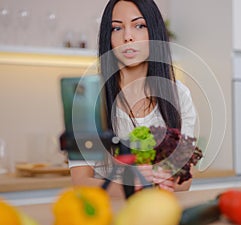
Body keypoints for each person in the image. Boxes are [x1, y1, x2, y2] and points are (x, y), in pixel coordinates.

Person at [69, 0, 196, 197]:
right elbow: (80, 181)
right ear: (108, 38)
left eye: (139, 26)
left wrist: (146, 180)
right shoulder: (87, 101)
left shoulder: (179, 95)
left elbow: (184, 181)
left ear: (153, 32)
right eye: (117, 28)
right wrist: (137, 184)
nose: (128, 37)